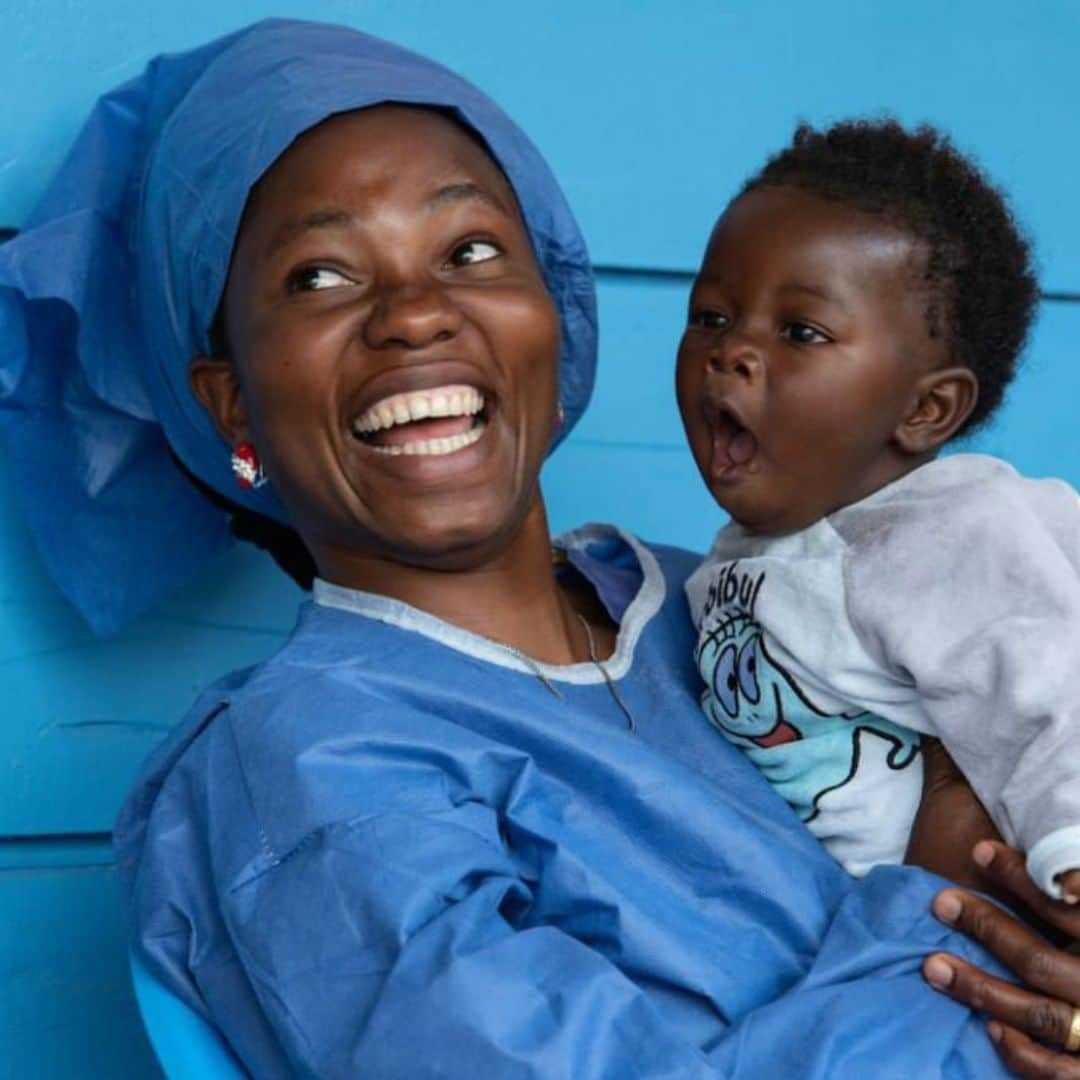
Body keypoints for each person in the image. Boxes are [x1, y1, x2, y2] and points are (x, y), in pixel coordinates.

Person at [1, 19, 1077, 1079]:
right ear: (232, 403)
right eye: (320, 277)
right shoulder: (309, 770)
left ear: (552, 317)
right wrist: (951, 913)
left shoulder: (736, 602)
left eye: (469, 250)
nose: (415, 314)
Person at [678, 119, 1080, 904]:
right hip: (818, 926)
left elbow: (1049, 687)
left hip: (946, 947)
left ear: (926, 410)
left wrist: (1070, 851)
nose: (732, 351)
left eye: (801, 331)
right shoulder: (744, 552)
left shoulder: (947, 531)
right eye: (712, 317)